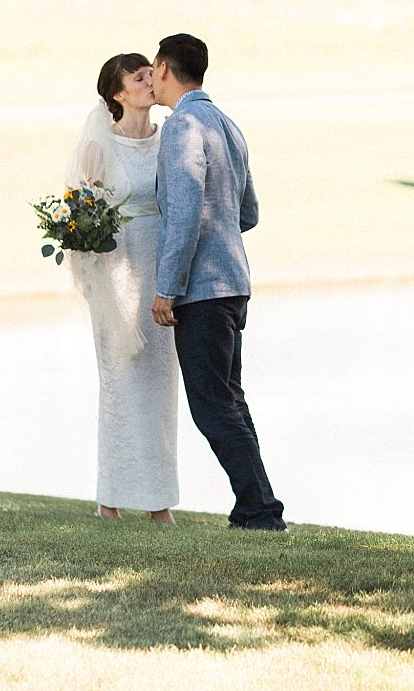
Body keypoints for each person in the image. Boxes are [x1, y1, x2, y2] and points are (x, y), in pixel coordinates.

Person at [150, 31, 286, 531]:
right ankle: (257, 506)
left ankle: (260, 510)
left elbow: (183, 216)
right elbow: (246, 212)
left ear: (164, 68)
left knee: (212, 407)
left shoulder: (182, 126)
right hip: (234, 280)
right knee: (230, 400)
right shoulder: (227, 124)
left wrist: (167, 288)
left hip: (202, 290)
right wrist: (220, 222)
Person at [66, 52, 179, 522]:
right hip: (116, 274)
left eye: (151, 73)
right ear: (118, 94)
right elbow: (81, 219)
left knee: (161, 385)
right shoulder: (100, 148)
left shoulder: (168, 140)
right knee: (119, 383)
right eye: (139, 78)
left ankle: (159, 503)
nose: (150, 81)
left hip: (159, 271)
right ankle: (108, 499)